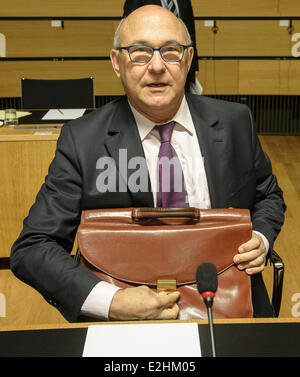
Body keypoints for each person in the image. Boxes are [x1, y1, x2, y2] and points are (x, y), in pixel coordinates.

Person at [11, 5, 285, 322]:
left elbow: (269, 195)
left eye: (171, 51)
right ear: (117, 62)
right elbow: (33, 247)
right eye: (140, 52)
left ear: (189, 58)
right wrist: (112, 301)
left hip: (229, 301)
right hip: (127, 314)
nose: (156, 67)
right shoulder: (83, 140)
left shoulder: (235, 121)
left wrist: (261, 238)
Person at [122, 0, 202, 94]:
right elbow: (127, 31)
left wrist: (194, 66)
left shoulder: (184, 1)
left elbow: (191, 32)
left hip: (179, 58)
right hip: (148, 59)